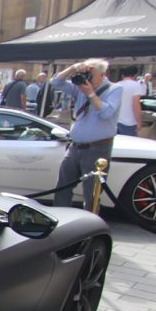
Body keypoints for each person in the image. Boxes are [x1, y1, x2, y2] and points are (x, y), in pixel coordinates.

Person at [51, 58, 122, 212]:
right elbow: (56, 83)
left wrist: (90, 93)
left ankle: (89, 226)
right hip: (75, 147)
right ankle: (62, 220)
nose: (87, 78)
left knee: (92, 193)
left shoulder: (114, 89)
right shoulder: (80, 87)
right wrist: (73, 68)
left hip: (97, 149)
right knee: (62, 187)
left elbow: (106, 113)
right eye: (86, 74)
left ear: (102, 74)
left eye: (91, 74)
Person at [115, 65, 143, 136]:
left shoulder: (116, 85)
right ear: (135, 75)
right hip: (129, 122)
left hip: (115, 120)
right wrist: (139, 122)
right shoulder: (136, 85)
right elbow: (136, 105)